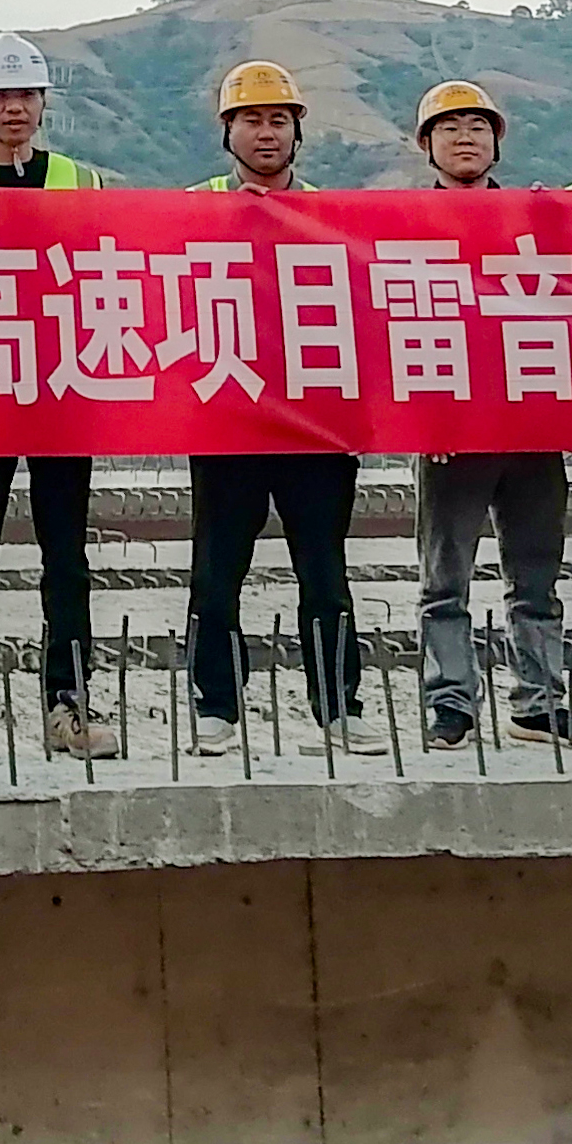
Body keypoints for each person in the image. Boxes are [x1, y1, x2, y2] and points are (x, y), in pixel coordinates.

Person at [0, 31, 119, 762]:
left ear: (43, 103)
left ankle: (68, 703)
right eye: (0, 96)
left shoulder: (80, 180)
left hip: (62, 387)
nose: (13, 107)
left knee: (66, 556)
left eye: (25, 95)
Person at [185, 62, 366, 755]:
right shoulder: (194, 207)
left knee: (324, 571)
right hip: (227, 419)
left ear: (298, 133)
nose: (267, 133)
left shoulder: (334, 215)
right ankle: (218, 707)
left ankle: (337, 706)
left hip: (315, 425)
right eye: (252, 120)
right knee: (216, 571)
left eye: (278, 121)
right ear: (227, 131)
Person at [411, 81, 572, 749]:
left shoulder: (535, 215)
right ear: (426, 145)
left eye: (478, 127)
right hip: (451, 431)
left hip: (533, 426)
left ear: (497, 142)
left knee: (536, 574)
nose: (466, 138)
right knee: (445, 577)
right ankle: (451, 701)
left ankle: (538, 700)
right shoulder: (399, 224)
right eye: (450, 127)